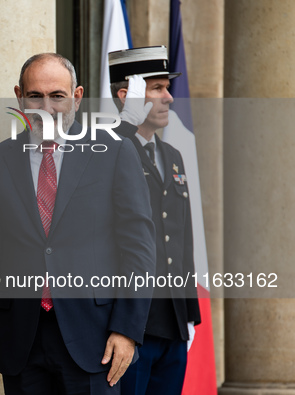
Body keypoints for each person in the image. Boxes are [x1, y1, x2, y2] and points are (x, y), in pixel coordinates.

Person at [0, 53, 156, 394]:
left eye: (58, 96)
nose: (46, 106)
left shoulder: (114, 152)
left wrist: (126, 330)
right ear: (20, 97)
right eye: (35, 95)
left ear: (77, 97)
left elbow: (138, 249)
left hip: (96, 340)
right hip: (23, 339)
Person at [108, 46, 202, 395]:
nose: (169, 97)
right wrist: (126, 123)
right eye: (157, 88)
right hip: (132, 326)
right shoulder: (108, 147)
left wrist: (190, 314)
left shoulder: (171, 155)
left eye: (167, 87)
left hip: (173, 323)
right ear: (126, 95)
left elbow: (183, 238)